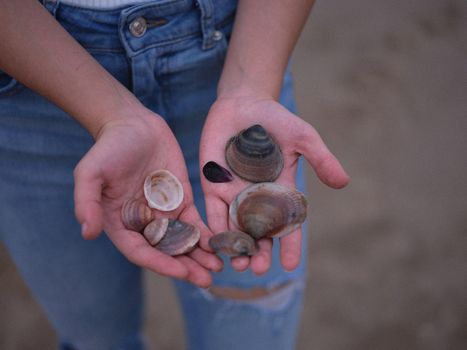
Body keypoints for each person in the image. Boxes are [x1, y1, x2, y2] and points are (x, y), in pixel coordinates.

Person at [0, 0, 349, 349]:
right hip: (33, 77)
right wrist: (108, 113)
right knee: (95, 339)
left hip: (236, 49)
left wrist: (252, 87)